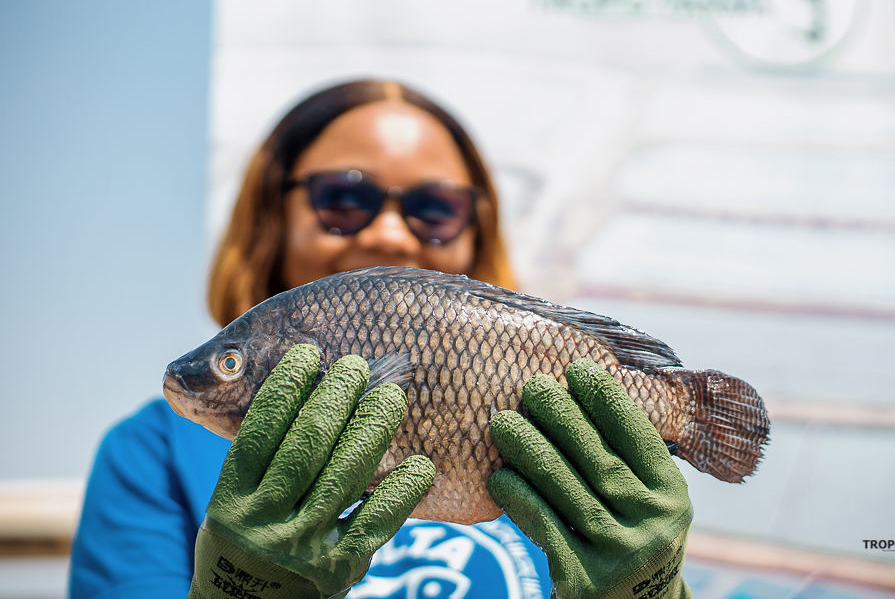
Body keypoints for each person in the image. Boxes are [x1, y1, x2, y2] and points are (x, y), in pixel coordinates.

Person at [69, 79, 692, 598]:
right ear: (271, 217)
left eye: (436, 208)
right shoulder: (149, 454)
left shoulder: (591, 444)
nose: (391, 235)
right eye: (344, 198)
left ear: (479, 228)